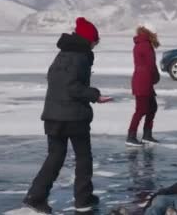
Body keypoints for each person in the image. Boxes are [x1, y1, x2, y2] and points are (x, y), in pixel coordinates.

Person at [23, 17, 113, 214]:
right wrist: (95, 95)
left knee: (55, 156)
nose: (96, 44)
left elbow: (59, 81)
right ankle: (83, 198)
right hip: (73, 117)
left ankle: (36, 196)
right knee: (83, 157)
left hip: (54, 115)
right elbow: (72, 87)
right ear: (88, 40)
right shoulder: (79, 56)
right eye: (95, 40)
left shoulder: (64, 53)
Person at [126, 23, 161, 146]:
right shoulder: (145, 45)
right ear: (150, 33)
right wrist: (156, 77)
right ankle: (131, 136)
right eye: (155, 34)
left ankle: (147, 135)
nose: (157, 36)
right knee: (141, 110)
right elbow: (151, 65)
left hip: (142, 80)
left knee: (152, 107)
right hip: (143, 81)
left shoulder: (140, 44)